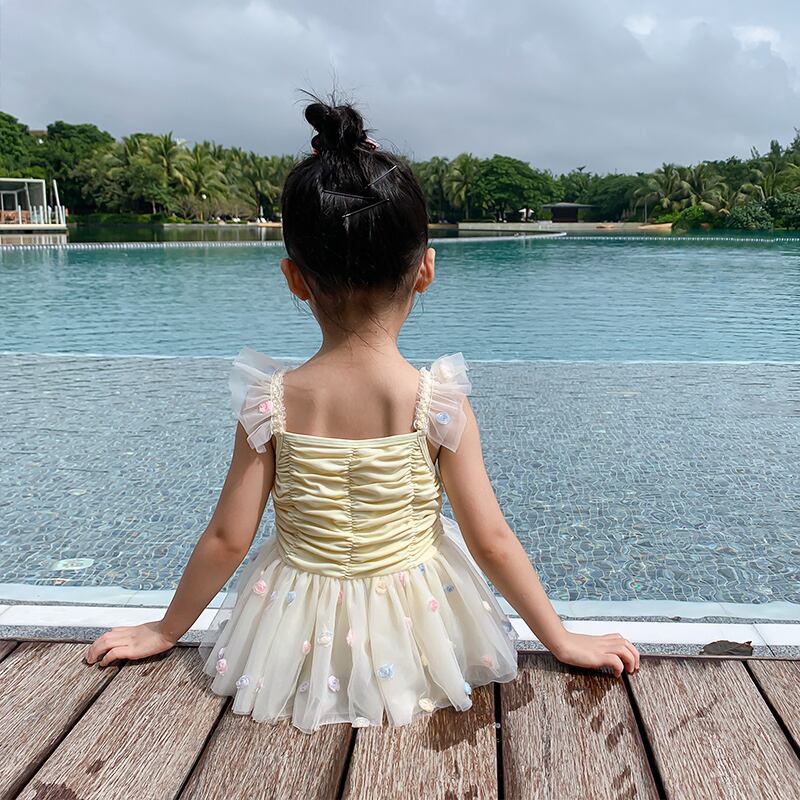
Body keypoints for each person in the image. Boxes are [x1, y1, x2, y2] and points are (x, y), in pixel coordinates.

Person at [85, 94, 640, 734]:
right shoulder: (438, 402)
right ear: (426, 270)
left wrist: (165, 629)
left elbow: (228, 539)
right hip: (418, 632)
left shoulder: (270, 403)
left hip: (295, 637)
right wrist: (561, 639)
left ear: (294, 278)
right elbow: (490, 538)